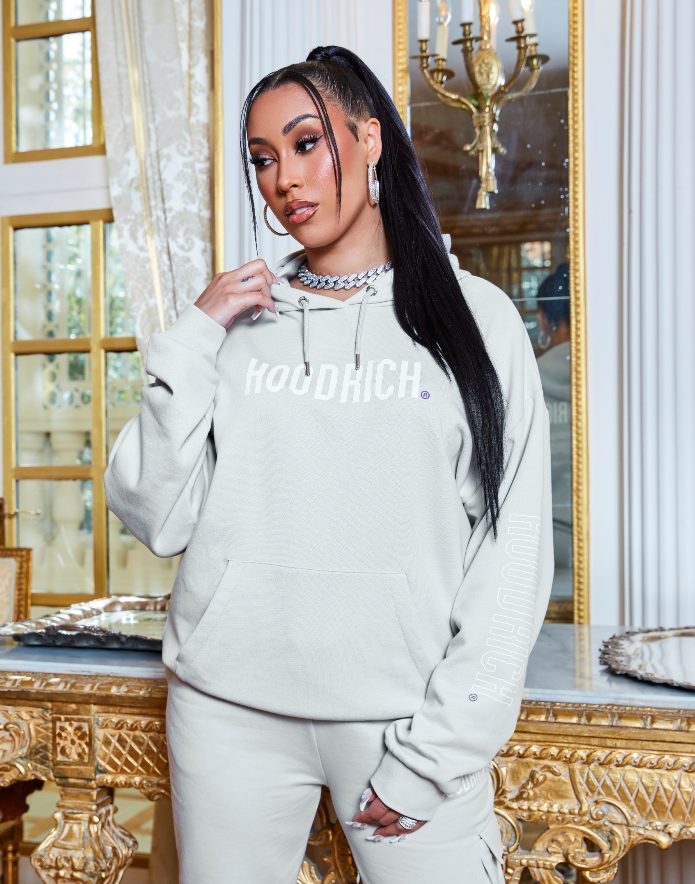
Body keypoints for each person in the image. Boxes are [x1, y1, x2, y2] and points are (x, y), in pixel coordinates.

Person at [105, 44, 554, 884]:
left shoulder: (474, 320)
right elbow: (154, 515)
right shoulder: (234, 326)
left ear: (369, 138)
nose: (283, 179)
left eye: (306, 143)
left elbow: (513, 548)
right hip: (226, 713)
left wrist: (440, 749)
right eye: (262, 158)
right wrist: (193, 337)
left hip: (400, 718)